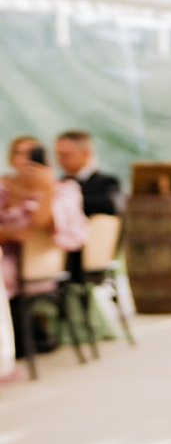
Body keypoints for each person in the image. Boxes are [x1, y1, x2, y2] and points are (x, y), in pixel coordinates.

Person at [2, 135, 88, 354]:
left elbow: (41, 225)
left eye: (32, 154)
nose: (25, 160)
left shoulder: (62, 189)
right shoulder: (3, 187)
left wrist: (46, 189)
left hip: (34, 267)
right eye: (19, 153)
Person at [54, 129, 123, 217]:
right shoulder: (59, 182)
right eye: (58, 155)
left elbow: (111, 204)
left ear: (86, 154)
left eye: (66, 155)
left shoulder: (106, 182)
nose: (61, 160)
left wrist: (68, 201)